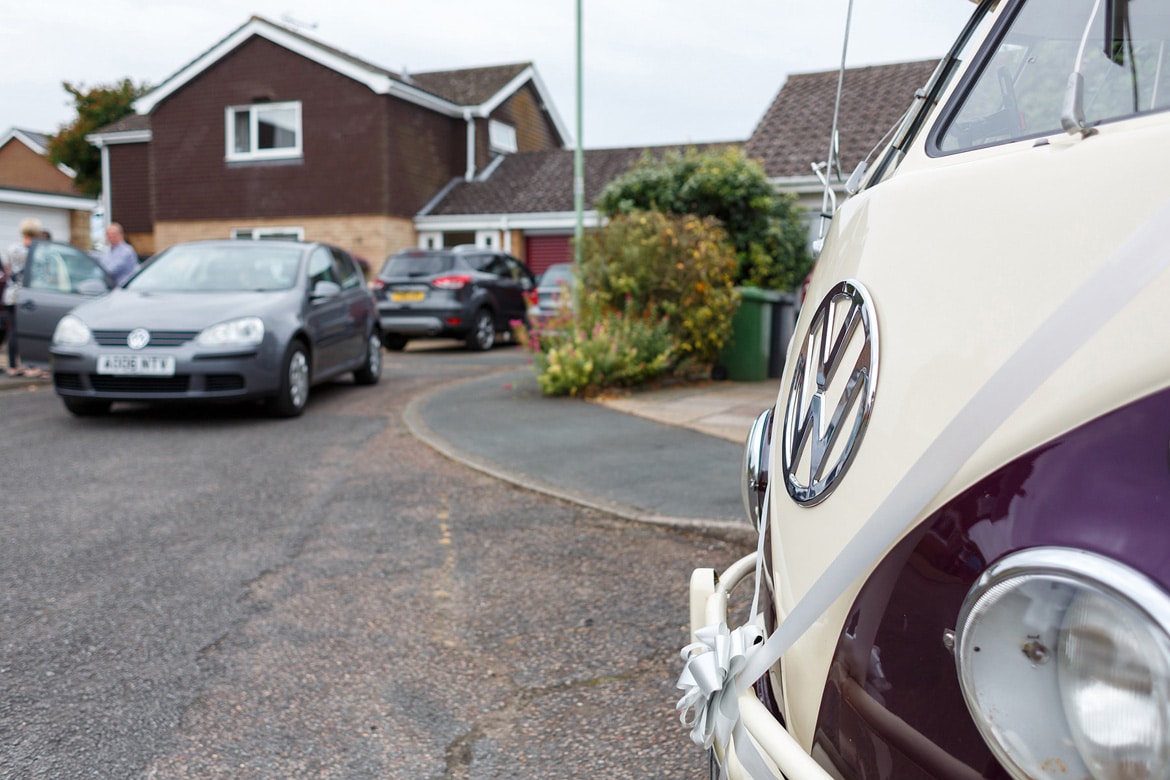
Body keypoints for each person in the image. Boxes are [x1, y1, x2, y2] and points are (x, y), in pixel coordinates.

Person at [3, 217, 45, 377]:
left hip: (11, 295)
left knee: (13, 331)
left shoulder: (12, 248)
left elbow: (8, 269)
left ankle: (13, 366)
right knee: (30, 331)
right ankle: (32, 365)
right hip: (28, 296)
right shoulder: (36, 251)